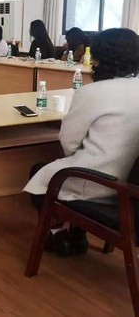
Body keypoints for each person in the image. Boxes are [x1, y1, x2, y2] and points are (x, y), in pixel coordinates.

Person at [24, 28, 139, 255]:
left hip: (102, 183)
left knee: (40, 174)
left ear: (99, 57)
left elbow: (69, 142)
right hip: (132, 188)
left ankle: (56, 235)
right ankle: (77, 234)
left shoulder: (93, 92)